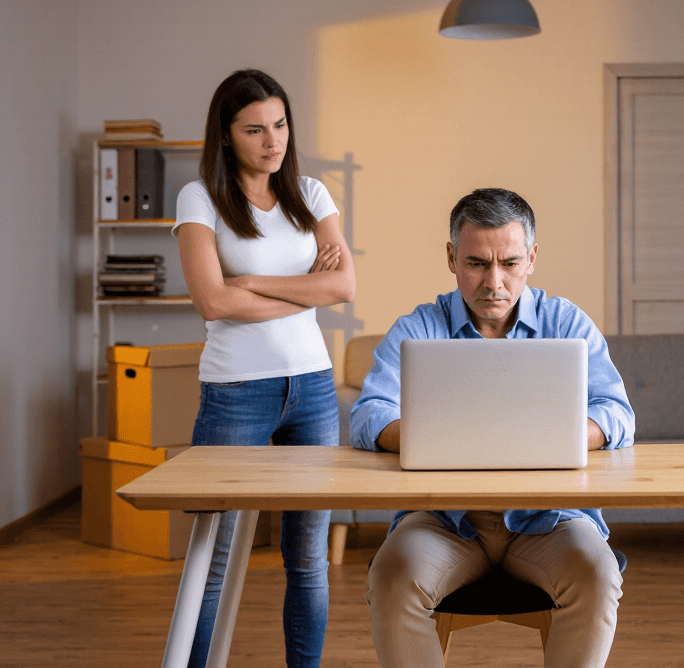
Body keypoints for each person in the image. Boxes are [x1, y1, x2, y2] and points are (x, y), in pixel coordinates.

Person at [350, 187, 634, 668]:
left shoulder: (567, 323)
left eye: (510, 263)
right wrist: (439, 442)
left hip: (550, 519)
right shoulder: (418, 328)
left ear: (533, 259)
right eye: (477, 263)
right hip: (443, 520)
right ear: (451, 257)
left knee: (598, 574)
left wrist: (557, 439)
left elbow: (617, 412)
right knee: (392, 576)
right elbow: (368, 414)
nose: (494, 282)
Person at [174, 68, 355, 668]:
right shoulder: (199, 197)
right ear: (226, 136)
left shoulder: (312, 193)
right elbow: (213, 301)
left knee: (307, 559)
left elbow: (345, 287)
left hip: (311, 387)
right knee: (213, 557)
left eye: (279, 125)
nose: (272, 140)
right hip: (234, 393)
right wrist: (307, 287)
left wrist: (252, 280)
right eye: (254, 130)